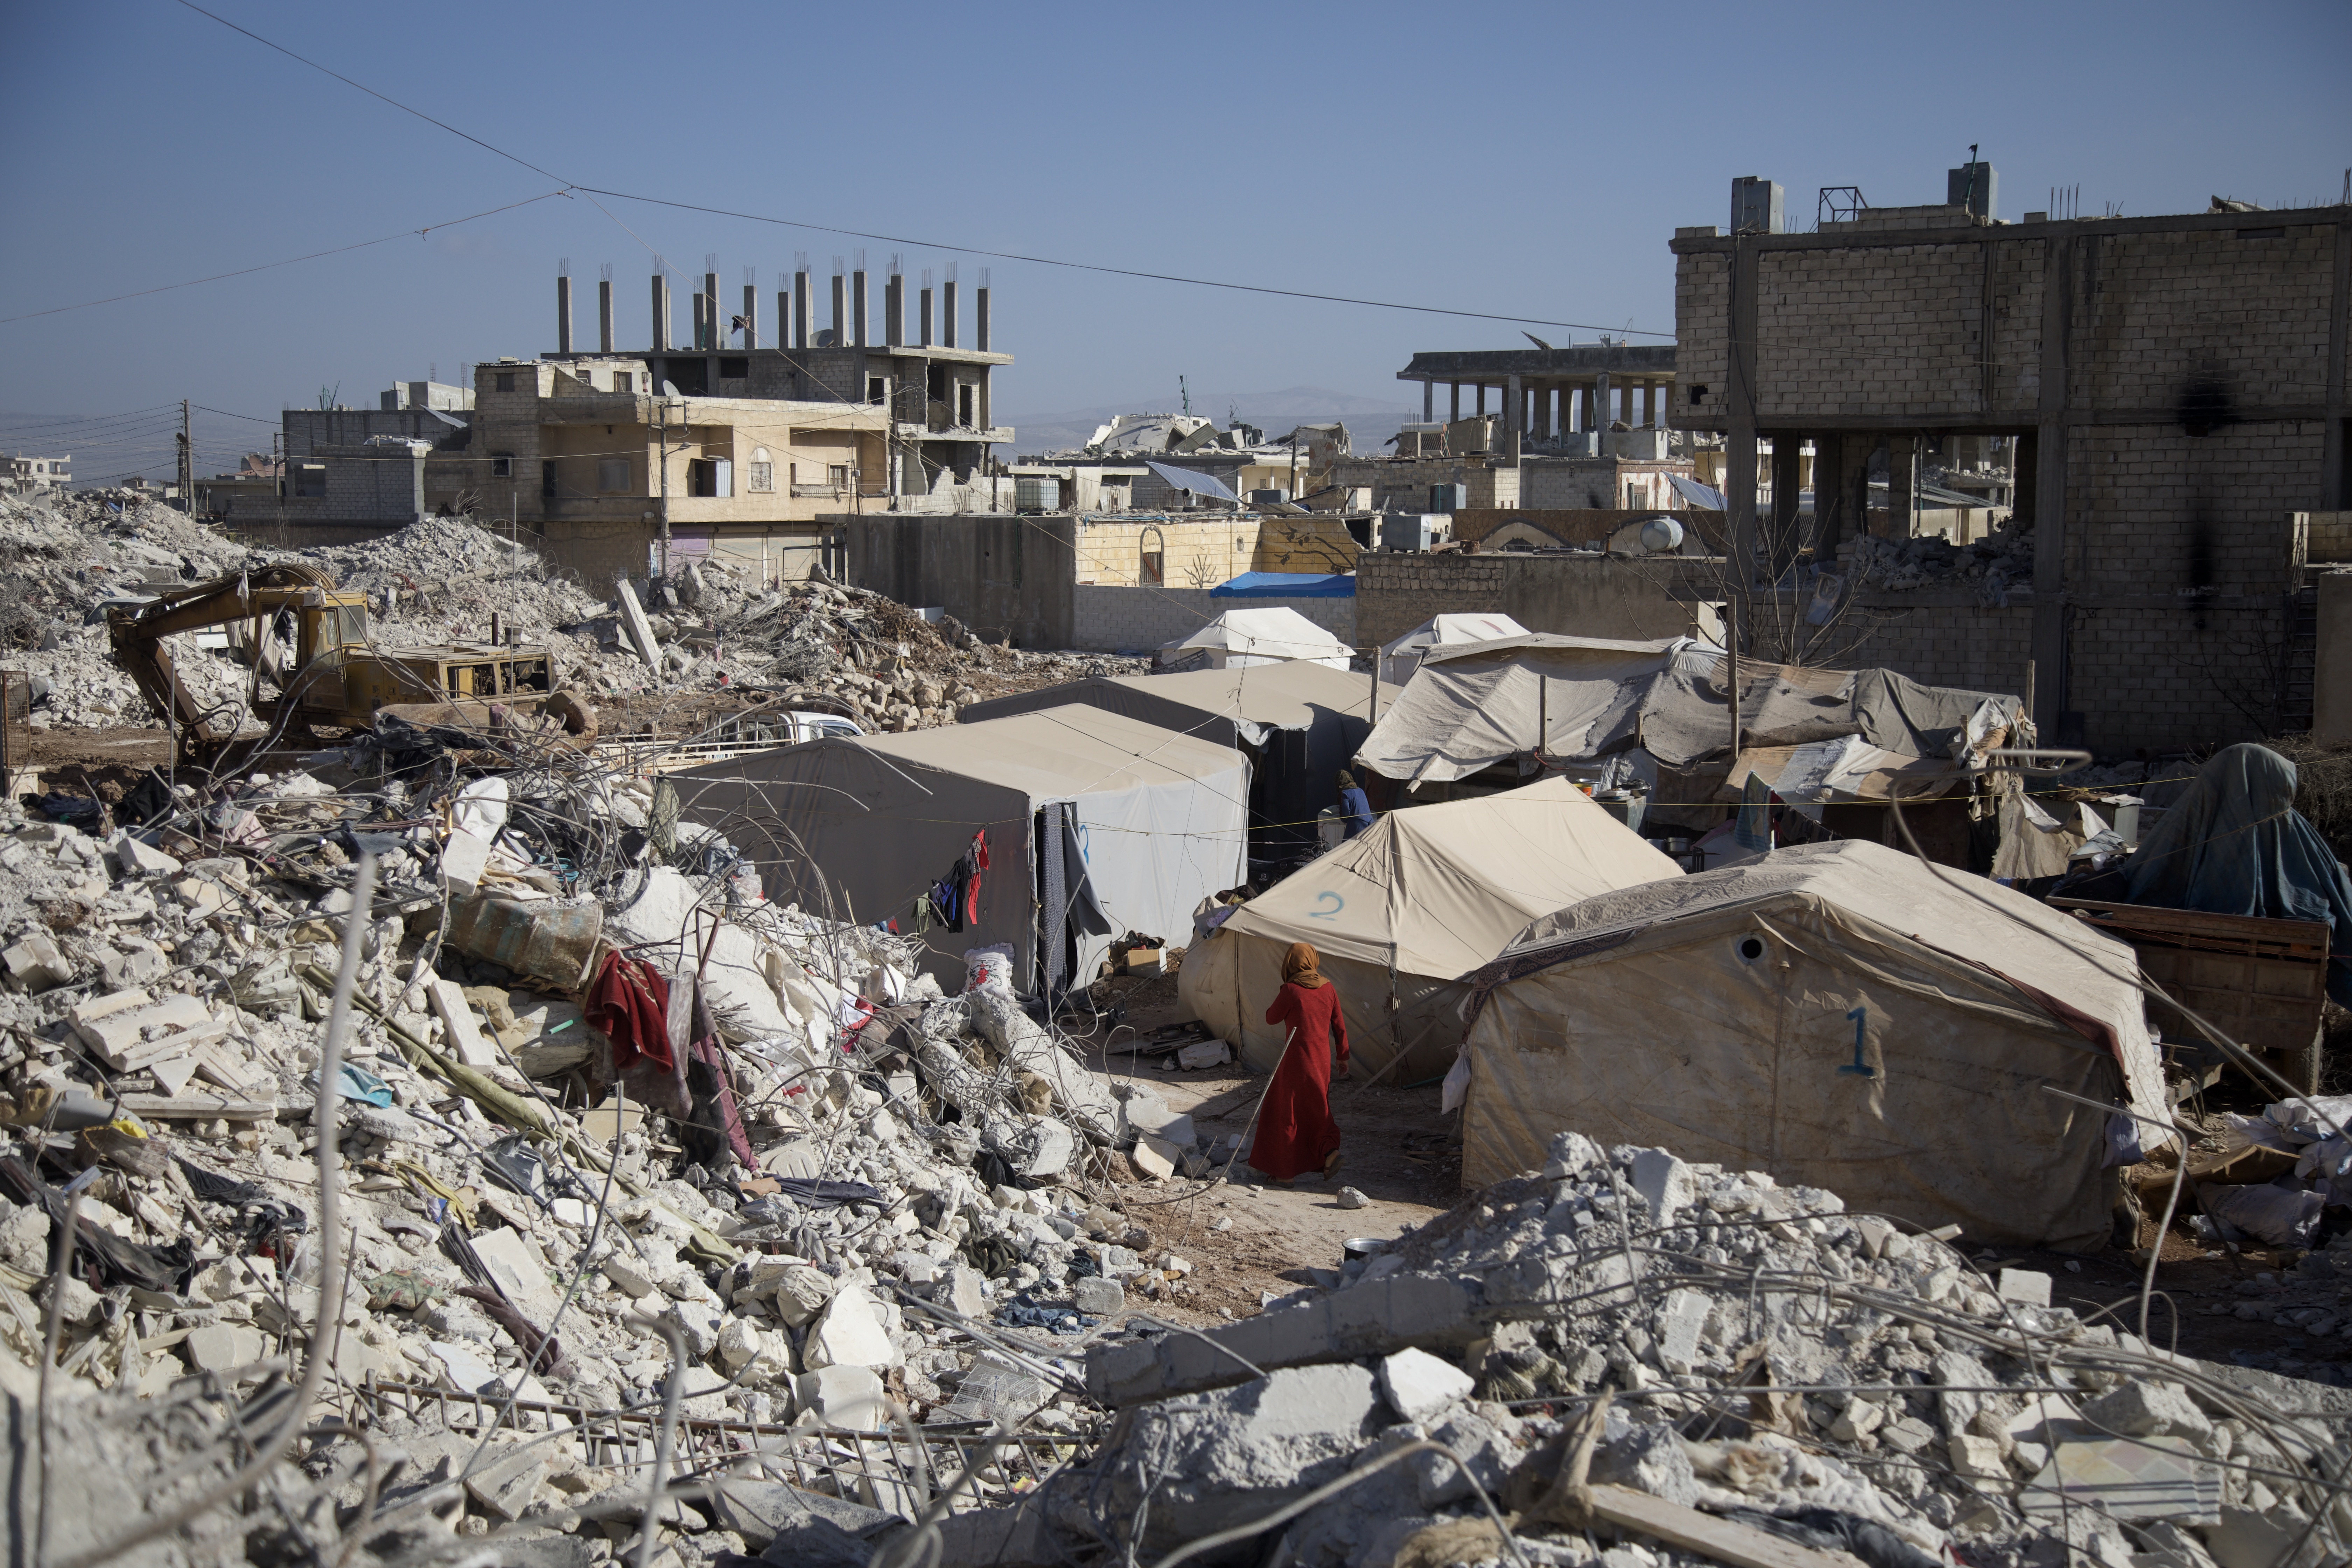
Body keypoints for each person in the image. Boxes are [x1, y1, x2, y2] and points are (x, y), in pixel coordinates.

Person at [1248, 941, 1348, 1183]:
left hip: (1295, 1062)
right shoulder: (1329, 988)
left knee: (1287, 1113)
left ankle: (1285, 1175)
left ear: (1290, 963)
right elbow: (1339, 1027)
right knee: (1317, 1110)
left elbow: (1272, 1018)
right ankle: (1329, 1152)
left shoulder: (1292, 991)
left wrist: (1284, 995)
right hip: (1322, 1062)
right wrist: (1343, 1057)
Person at [1337, 770, 1373, 839]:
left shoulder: (1345, 793)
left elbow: (1345, 814)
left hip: (1357, 827)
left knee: (1347, 848)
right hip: (1370, 824)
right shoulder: (1361, 790)